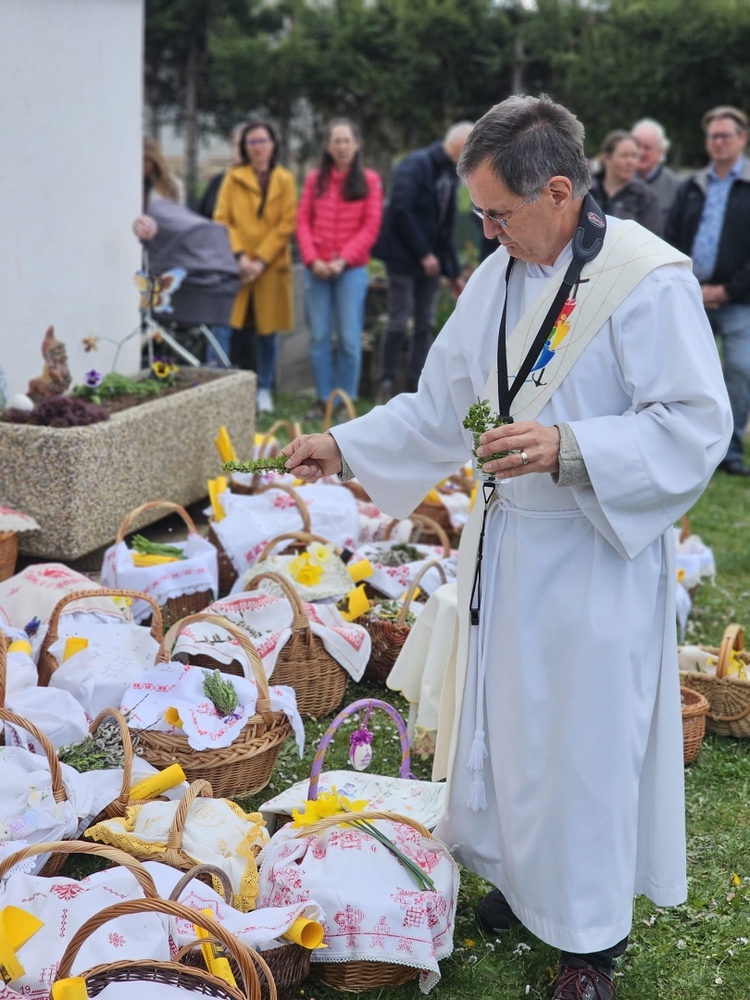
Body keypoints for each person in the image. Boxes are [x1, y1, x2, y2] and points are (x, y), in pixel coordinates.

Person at [282, 95, 731, 1000]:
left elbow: (696, 423)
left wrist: (572, 447)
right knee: (510, 733)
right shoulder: (499, 274)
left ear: (559, 192)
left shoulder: (646, 281)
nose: (486, 233)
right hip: (507, 550)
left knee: (582, 747)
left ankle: (589, 941)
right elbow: (440, 407)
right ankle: (526, 885)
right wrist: (346, 444)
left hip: (593, 556)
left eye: (499, 213)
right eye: (480, 214)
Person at [666, 105, 750, 476]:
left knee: (741, 369)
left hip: (739, 301)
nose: (717, 142)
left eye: (725, 136)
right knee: (685, 371)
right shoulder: (693, 186)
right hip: (691, 297)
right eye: (712, 136)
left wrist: (726, 291)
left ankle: (729, 451)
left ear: (742, 138)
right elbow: (671, 237)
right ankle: (687, 444)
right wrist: (688, 285)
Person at [374, 121, 474, 400]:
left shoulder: (450, 174)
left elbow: (445, 228)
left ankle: (418, 387)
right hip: (403, 258)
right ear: (460, 146)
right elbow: (400, 210)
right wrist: (423, 254)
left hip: (431, 263)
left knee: (425, 324)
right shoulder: (415, 165)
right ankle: (386, 381)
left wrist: (454, 274)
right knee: (398, 321)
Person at [296, 119, 383, 419]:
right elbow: (303, 222)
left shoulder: (370, 180)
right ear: (328, 147)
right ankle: (323, 399)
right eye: (337, 141)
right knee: (319, 336)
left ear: (356, 145)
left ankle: (345, 399)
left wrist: (343, 260)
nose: (342, 146)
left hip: (350, 270)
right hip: (317, 270)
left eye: (347, 140)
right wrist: (313, 260)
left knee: (348, 338)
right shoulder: (314, 180)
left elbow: (370, 227)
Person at [214, 119, 296, 413]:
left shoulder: (285, 179)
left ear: (273, 145)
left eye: (263, 141)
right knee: (224, 326)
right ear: (245, 147)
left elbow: (286, 223)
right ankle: (217, 385)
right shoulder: (233, 178)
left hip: (269, 267)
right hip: (237, 266)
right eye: (252, 142)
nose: (258, 147)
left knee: (268, 332)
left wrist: (260, 259)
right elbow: (222, 219)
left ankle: (265, 388)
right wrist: (241, 257)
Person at [589, 130, 662, 234]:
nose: (630, 162)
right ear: (607, 158)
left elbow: (652, 236)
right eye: (624, 156)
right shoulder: (587, 191)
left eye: (634, 156)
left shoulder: (645, 197)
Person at [632, 118, 682, 228]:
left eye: (647, 148)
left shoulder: (677, 187)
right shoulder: (620, 181)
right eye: (637, 146)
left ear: (661, 151)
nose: (641, 152)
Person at [197, 123, 245, 221]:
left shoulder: (271, 183)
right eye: (237, 145)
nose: (240, 150)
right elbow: (201, 220)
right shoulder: (217, 182)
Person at [143, 136, 183, 209]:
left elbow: (178, 212)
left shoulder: (171, 183)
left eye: (147, 159)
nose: (144, 164)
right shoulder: (130, 183)